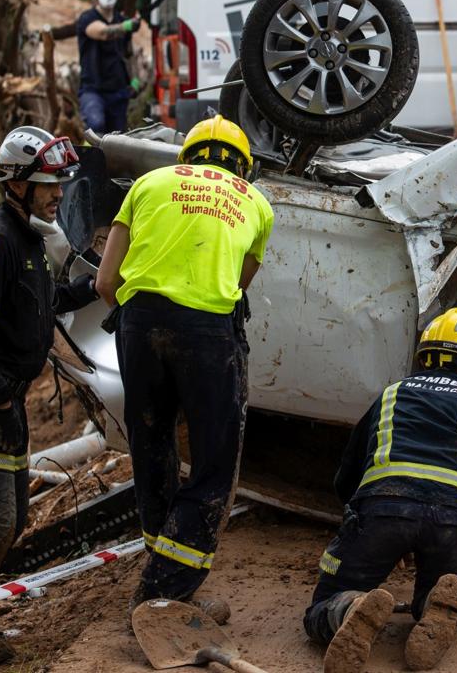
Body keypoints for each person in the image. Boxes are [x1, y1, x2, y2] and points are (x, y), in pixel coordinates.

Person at [95, 116, 273, 613]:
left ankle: (159, 556)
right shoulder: (255, 203)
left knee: (151, 448)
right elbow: (238, 285)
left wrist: (137, 321)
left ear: (185, 157)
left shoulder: (148, 184)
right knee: (214, 464)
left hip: (140, 324)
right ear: (244, 167)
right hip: (207, 335)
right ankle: (166, 591)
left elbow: (105, 282)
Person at [0, 127, 98, 672]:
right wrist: (3, 407)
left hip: (7, 396)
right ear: (17, 184)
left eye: (60, 183)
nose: (59, 193)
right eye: (49, 184)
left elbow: (46, 304)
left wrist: (104, 286)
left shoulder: (31, 238)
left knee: (16, 515)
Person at [304, 308, 457, 673]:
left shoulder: (392, 393)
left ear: (425, 357)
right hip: (454, 522)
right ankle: (431, 611)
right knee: (440, 588)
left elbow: (347, 474)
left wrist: (363, 522)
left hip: (384, 507)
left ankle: (349, 608)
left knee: (323, 603)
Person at [76, 0, 141, 135]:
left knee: (117, 137)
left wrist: (134, 79)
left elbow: (129, 53)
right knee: (95, 125)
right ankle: (89, 158)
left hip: (118, 90)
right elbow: (102, 32)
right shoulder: (87, 18)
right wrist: (125, 26)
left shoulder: (121, 19)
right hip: (93, 89)